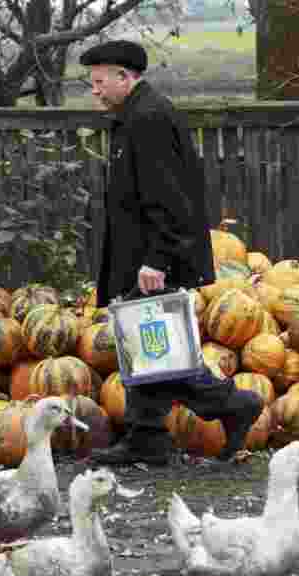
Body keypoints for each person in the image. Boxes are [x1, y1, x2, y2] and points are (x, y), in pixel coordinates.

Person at [80, 39, 261, 467]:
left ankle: (234, 405)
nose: (95, 90)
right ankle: (147, 436)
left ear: (125, 77)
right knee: (141, 345)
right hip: (144, 255)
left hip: (155, 258)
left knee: (159, 353)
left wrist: (157, 260)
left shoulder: (149, 119)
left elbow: (170, 199)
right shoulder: (133, 116)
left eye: (100, 81)